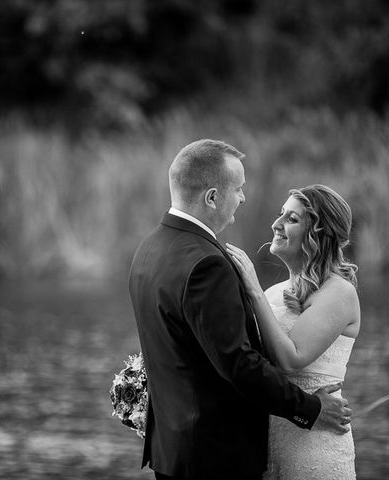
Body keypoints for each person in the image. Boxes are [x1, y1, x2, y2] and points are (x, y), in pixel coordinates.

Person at [128, 139, 352, 480]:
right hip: (213, 458)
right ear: (213, 197)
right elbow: (239, 365)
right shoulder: (208, 264)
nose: (244, 198)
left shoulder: (148, 250)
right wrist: (311, 409)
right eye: (238, 188)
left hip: (174, 454)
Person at [226, 184, 359, 479]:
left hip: (315, 445)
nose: (276, 224)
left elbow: (290, 359)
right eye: (280, 214)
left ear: (319, 233)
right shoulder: (273, 293)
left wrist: (252, 287)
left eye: (292, 219)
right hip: (267, 442)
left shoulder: (339, 292)